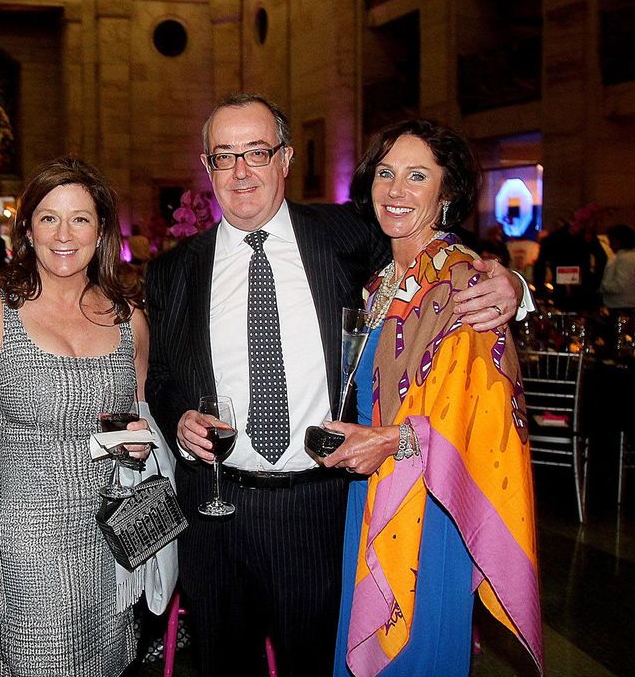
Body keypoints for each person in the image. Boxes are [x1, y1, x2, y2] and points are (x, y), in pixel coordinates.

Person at [144, 94, 528, 677]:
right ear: (207, 166)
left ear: (286, 158)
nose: (241, 171)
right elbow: (162, 376)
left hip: (320, 508)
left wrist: (514, 286)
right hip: (215, 513)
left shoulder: (349, 234)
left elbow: (432, 249)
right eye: (225, 156)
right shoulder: (173, 270)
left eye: (257, 152)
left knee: (319, 662)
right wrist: (177, 417)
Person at [322, 120, 542, 676]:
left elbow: (481, 416)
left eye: (417, 176)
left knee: (415, 654)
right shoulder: (378, 284)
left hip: (431, 501)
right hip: (368, 490)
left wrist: (516, 286)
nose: (396, 190)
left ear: (447, 192)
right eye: (386, 173)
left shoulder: (464, 281)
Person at [0, 156, 176, 677]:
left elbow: (140, 415)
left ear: (100, 231)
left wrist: (137, 439)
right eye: (49, 218)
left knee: (109, 661)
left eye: (80, 219)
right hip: (29, 535)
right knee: (42, 662)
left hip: (114, 532)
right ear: (27, 229)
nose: (64, 234)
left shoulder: (129, 318)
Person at [600, 224, 635, 309]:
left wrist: (602, 287)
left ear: (618, 241)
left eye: (611, 240)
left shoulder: (626, 259)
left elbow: (619, 286)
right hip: (630, 304)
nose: (610, 245)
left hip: (621, 306)